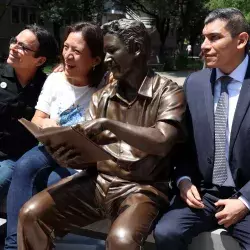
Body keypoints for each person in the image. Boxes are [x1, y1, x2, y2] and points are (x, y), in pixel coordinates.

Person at [17, 19, 185, 250]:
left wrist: (110, 124)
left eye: (112, 51)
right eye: (105, 52)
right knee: (30, 214)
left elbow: (162, 141)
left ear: (136, 50)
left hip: (142, 188)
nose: (106, 60)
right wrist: (68, 155)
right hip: (97, 182)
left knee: (121, 241)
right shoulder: (102, 96)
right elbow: (91, 154)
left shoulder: (168, 91)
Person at [154, 8, 250, 250]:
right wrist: (184, 180)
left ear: (241, 40)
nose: (204, 46)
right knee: (167, 232)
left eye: (215, 38)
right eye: (204, 38)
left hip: (247, 193)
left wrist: (246, 201)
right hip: (205, 193)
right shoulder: (195, 83)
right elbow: (184, 145)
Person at [4, 22, 105, 250]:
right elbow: (38, 119)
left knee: (46, 184)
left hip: (80, 160)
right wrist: (45, 123)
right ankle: (13, 246)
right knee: (23, 166)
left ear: (96, 60)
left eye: (76, 51)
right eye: (66, 47)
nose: (68, 55)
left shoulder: (104, 88)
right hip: (50, 147)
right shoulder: (54, 80)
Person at [0, 24, 58, 200]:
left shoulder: (47, 87)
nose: (13, 48)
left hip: (14, 159)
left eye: (22, 47)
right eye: (14, 41)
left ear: (40, 60)